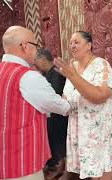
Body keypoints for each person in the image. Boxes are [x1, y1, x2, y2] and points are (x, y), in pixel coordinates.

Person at [0, 26, 71, 180]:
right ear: (25, 46)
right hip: (22, 166)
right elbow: (63, 107)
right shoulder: (28, 77)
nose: (37, 51)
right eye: (36, 46)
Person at [54, 31, 112, 180]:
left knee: (102, 168)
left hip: (99, 129)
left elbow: (99, 96)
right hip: (79, 128)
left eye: (76, 42)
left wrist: (72, 75)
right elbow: (69, 97)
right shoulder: (73, 66)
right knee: (89, 171)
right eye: (71, 43)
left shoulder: (101, 65)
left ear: (89, 45)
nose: (72, 46)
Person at [35, 48, 68, 179]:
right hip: (51, 116)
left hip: (59, 117)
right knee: (53, 142)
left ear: (42, 59)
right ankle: (57, 166)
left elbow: (55, 95)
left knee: (60, 143)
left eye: (36, 60)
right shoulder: (47, 74)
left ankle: (63, 169)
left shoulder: (57, 73)